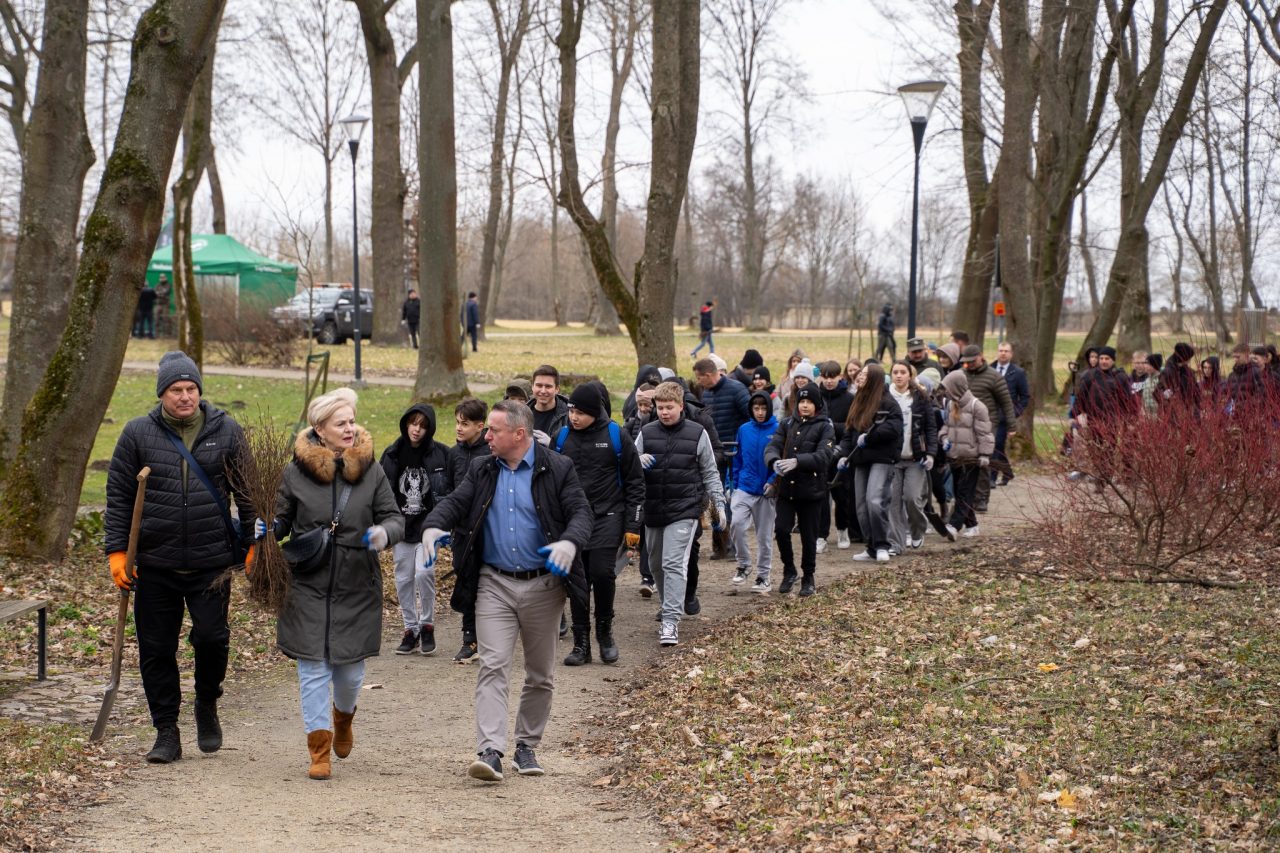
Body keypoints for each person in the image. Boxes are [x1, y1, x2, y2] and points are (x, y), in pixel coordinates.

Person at [420, 400, 593, 782]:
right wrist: (433, 526)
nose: (487, 437)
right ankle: (491, 750)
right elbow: (456, 502)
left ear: (519, 434)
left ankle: (526, 745)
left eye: (493, 431)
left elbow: (582, 513)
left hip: (544, 586)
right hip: (493, 583)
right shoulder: (483, 467)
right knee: (493, 664)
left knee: (540, 673)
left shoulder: (557, 467)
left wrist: (569, 543)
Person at [105, 351, 255, 764]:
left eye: (191, 389)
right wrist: (118, 553)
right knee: (156, 649)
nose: (185, 397)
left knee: (211, 638)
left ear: (199, 392)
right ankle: (166, 730)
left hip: (211, 561)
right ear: (162, 394)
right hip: (155, 563)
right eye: (176, 390)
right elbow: (118, 497)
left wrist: (256, 541)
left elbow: (248, 493)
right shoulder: (137, 434)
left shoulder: (226, 431)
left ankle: (207, 702)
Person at [264, 388, 403, 780]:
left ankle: (343, 719)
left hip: (357, 584)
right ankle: (319, 750)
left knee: (350, 673)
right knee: (312, 669)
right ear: (319, 429)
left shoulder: (372, 470)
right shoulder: (295, 472)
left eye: (351, 420)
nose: (349, 428)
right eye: (340, 422)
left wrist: (384, 534)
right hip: (308, 582)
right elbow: (282, 520)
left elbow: (394, 517)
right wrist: (267, 530)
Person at [553, 383, 644, 666]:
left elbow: (635, 483)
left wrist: (633, 527)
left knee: (602, 574)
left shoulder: (617, 436)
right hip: (572, 521)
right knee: (577, 581)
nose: (573, 417)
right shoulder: (561, 437)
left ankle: (605, 633)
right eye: (571, 410)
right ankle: (581, 644)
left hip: (609, 517)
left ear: (594, 412)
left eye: (580, 412)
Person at [634, 381, 727, 647]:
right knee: (655, 564)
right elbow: (629, 465)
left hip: (685, 509)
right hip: (653, 509)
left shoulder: (697, 433)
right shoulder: (647, 432)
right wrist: (636, 460)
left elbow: (710, 472)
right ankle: (667, 606)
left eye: (669, 407)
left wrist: (718, 506)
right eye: (660, 407)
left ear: (681, 406)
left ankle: (671, 621)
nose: (664, 412)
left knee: (673, 562)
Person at [379, 404, 449, 656]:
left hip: (429, 527)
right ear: (405, 424)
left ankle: (427, 624)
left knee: (424, 573)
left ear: (429, 428)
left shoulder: (441, 454)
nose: (417, 430)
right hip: (401, 528)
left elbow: (448, 491)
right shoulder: (392, 454)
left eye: (422, 425)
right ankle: (410, 629)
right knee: (404, 578)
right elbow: (382, 491)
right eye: (413, 424)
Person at [763, 385, 834, 597]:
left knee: (808, 536)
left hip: (811, 491)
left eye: (809, 402)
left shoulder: (825, 427)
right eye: (802, 401)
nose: (804, 405)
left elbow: (824, 456)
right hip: (786, 489)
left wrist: (798, 461)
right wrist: (774, 461)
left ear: (817, 405)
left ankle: (808, 576)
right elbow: (773, 446)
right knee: (782, 530)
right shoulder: (786, 423)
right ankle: (789, 569)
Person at [836, 363, 903, 563]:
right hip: (860, 460)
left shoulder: (888, 403)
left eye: (864, 374)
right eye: (859, 374)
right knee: (861, 507)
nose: (859, 377)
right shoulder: (858, 400)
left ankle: (883, 544)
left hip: (882, 459)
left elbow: (894, 428)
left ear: (873, 378)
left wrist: (869, 437)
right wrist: (843, 454)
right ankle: (872, 546)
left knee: (875, 501)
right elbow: (849, 431)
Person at [445, 397, 490, 662]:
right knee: (466, 581)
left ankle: (483, 636)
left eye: (465, 424)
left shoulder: (490, 452)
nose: (459, 428)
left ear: (480, 426)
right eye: (457, 423)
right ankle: (469, 637)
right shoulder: (454, 454)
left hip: (485, 530)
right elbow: (451, 490)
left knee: (486, 584)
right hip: (461, 532)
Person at [730, 391, 779, 593]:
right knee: (736, 524)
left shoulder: (778, 429)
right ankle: (743, 563)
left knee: (764, 537)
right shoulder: (744, 429)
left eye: (763, 408)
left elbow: (780, 460)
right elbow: (737, 457)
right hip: (744, 487)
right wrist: (732, 483)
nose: (760, 412)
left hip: (766, 491)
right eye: (756, 408)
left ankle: (763, 576)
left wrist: (773, 482)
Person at [886, 361, 937, 552]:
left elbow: (931, 427)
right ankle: (896, 543)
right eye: (895, 372)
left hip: (915, 458)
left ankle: (917, 531)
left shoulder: (920, 397)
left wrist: (931, 453)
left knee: (912, 498)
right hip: (892, 459)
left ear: (910, 375)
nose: (898, 375)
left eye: (902, 372)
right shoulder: (885, 396)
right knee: (893, 501)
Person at [957, 345, 1015, 512]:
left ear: (980, 356)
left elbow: (1006, 402)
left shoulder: (993, 377)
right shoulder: (961, 375)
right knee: (964, 461)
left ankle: (981, 498)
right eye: (966, 362)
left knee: (983, 461)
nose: (969, 364)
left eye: (972, 361)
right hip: (964, 423)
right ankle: (965, 497)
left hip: (988, 425)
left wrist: (1011, 425)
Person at [939, 371, 993, 538]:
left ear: (957, 388)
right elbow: (946, 427)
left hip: (972, 458)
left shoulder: (978, 407)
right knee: (958, 490)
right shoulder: (951, 405)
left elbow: (985, 434)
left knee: (965, 491)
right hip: (955, 456)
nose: (946, 392)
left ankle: (954, 526)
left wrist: (984, 454)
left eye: (948, 388)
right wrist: (944, 438)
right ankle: (972, 524)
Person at [815, 361, 854, 551]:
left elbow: (851, 426)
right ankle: (821, 535)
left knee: (841, 494)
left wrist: (833, 426)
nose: (829, 381)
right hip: (821, 452)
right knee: (821, 495)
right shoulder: (816, 397)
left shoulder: (849, 399)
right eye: (826, 377)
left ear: (840, 377)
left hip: (841, 452)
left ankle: (842, 529)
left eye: (833, 377)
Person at [990, 342, 1030, 487]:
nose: (1003, 353)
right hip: (989, 414)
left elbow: (1025, 396)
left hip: (1005, 416)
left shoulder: (1018, 372)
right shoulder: (990, 369)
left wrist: (1014, 413)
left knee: (996, 444)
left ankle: (992, 478)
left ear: (1011, 354)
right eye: (1001, 350)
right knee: (996, 446)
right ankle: (1007, 473)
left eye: (1006, 351)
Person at [1157, 342, 1202, 414]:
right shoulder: (1167, 373)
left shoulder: (1189, 372)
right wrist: (1165, 395)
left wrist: (1198, 408)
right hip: (1173, 413)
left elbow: (1196, 391)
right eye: (1189, 358)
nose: (1189, 361)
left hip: (1190, 411)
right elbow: (1158, 392)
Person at [528, 365, 569, 441]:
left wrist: (553, 445)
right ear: (532, 387)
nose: (543, 391)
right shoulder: (522, 414)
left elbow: (577, 449)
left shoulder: (569, 416)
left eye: (548, 386)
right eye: (539, 385)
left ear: (557, 389)